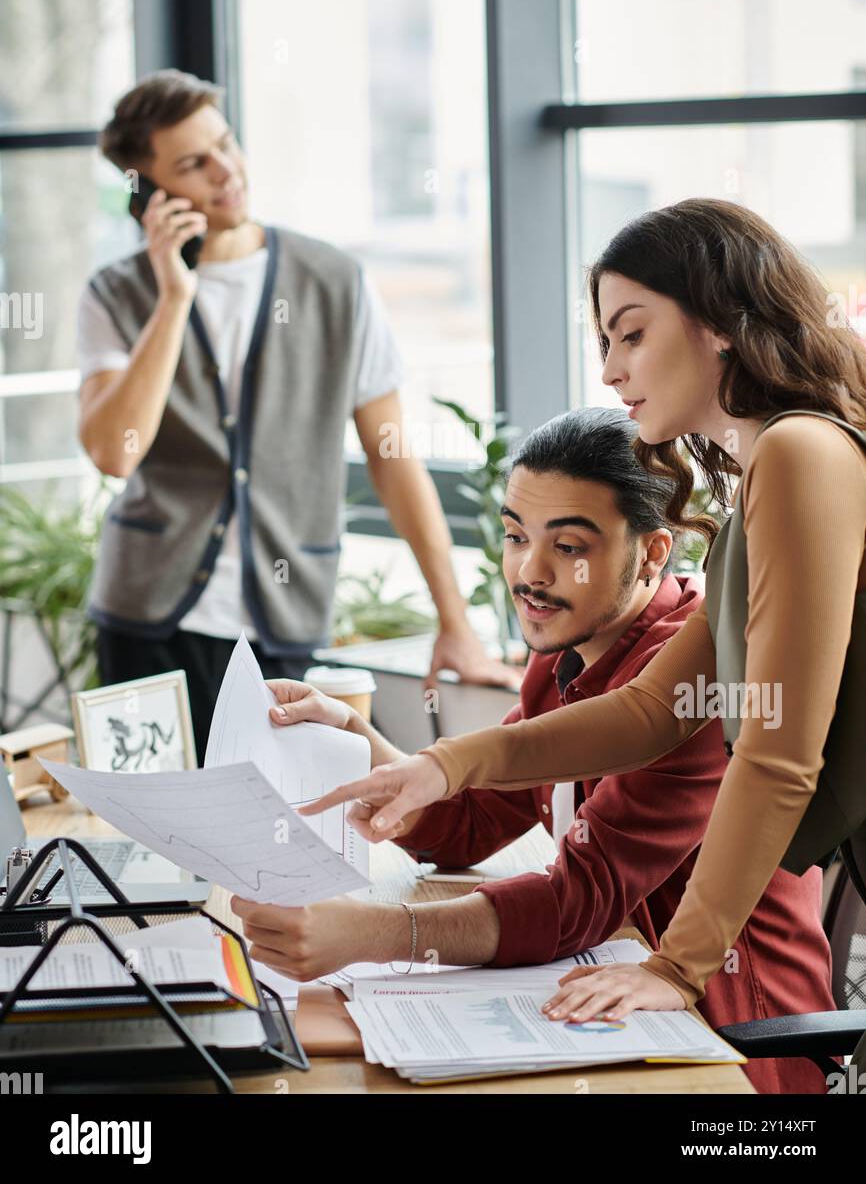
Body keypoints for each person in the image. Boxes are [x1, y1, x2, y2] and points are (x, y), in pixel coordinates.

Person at [300, 198, 866, 1048]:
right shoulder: (765, 477)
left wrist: (677, 969)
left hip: (751, 1015)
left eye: (631, 334)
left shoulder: (798, 452)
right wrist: (440, 766)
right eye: (604, 341)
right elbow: (651, 712)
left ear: (720, 324)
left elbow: (780, 755)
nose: (608, 370)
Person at [232, 407, 837, 1093]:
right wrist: (360, 741)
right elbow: (471, 825)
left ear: (652, 554)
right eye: (516, 536)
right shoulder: (565, 652)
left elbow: (578, 899)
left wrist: (372, 934)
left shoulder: (696, 682)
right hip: (617, 1009)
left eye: (569, 546)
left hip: (734, 1047)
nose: (530, 572)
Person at [77, 69, 517, 759]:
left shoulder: (334, 282)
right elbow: (114, 452)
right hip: (145, 620)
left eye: (226, 144)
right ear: (150, 193)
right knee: (148, 816)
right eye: (193, 164)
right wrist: (173, 298)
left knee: (284, 810)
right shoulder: (115, 293)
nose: (227, 171)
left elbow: (393, 459)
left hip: (283, 617)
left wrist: (454, 621)